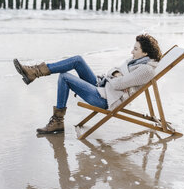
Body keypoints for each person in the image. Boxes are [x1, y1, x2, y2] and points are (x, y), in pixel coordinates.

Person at [13, 34, 162, 134]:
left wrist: (115, 75)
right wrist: (116, 74)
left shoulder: (146, 70)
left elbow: (118, 84)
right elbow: (116, 74)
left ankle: (57, 121)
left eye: (135, 49)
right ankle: (35, 71)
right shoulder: (137, 61)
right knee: (78, 60)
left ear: (146, 53)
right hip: (104, 87)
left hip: (104, 99)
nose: (131, 51)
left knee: (64, 77)